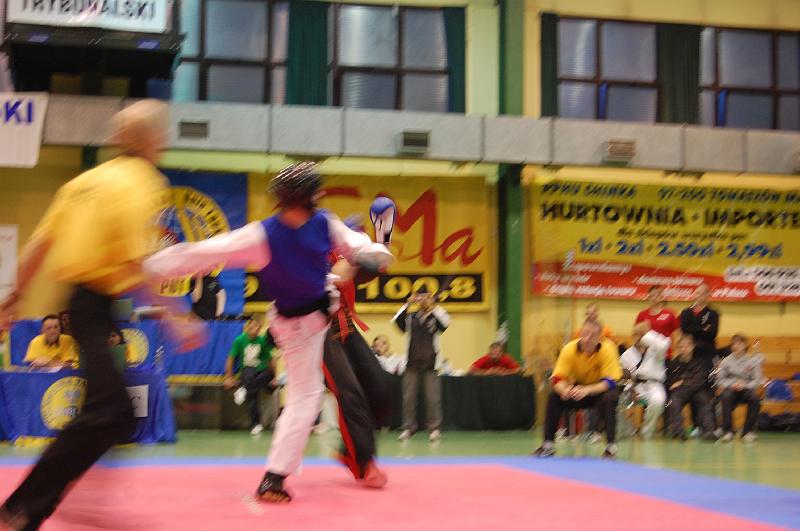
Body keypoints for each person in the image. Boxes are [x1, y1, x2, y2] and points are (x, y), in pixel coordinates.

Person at [0, 100, 204, 531]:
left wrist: (14, 296)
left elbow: (39, 245)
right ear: (153, 141)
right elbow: (135, 264)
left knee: (113, 409)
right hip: (95, 306)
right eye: (162, 135)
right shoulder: (142, 182)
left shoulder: (81, 183)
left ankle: (44, 501)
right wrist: (175, 315)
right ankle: (21, 508)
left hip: (79, 303)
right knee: (110, 409)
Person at [144, 161, 393, 503]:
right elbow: (203, 253)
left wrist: (377, 253)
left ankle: (282, 475)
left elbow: (359, 246)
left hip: (322, 312)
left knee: (325, 393)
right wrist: (148, 267)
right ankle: (274, 478)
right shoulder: (262, 236)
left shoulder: (325, 224)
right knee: (306, 397)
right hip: (293, 328)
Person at [323, 249, 392, 488]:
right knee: (350, 393)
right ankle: (364, 463)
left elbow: (366, 269)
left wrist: (375, 259)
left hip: (347, 327)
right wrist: (330, 275)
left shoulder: (341, 247)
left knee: (380, 386)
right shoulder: (305, 251)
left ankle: (348, 449)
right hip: (318, 332)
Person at [533, 320, 622, 459]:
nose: (587, 338)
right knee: (554, 397)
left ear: (599, 337)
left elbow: (610, 382)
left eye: (592, 335)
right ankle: (548, 445)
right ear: (580, 333)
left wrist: (587, 390)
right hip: (577, 389)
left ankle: (611, 446)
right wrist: (564, 390)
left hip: (599, 390)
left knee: (611, 397)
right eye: (585, 333)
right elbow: (557, 379)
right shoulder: (569, 349)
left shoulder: (608, 349)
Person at [392, 287, 450, 442]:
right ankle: (408, 428)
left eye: (426, 297)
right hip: (412, 363)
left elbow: (446, 323)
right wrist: (407, 304)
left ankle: (434, 429)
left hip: (431, 363)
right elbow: (396, 322)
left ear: (430, 298)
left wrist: (434, 306)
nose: (423, 300)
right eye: (420, 297)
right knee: (408, 398)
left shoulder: (436, 316)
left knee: (432, 399)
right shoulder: (411, 317)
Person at [224, 316, 276, 436]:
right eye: (252, 327)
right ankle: (255, 424)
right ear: (247, 327)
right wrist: (229, 376)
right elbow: (231, 358)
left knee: (267, 374)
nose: (255, 329)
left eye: (258, 328)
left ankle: (244, 390)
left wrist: (275, 377)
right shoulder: (239, 340)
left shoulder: (262, 341)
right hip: (248, 370)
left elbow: (271, 360)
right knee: (252, 389)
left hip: (261, 370)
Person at [679, 283, 720, 433]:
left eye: (704, 293)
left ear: (708, 296)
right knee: (692, 388)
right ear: (694, 295)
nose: (700, 296)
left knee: (709, 391)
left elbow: (712, 333)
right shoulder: (686, 312)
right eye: (698, 293)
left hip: (708, 357)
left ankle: (711, 426)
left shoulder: (713, 313)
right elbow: (684, 329)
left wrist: (695, 330)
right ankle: (696, 425)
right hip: (691, 356)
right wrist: (703, 328)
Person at [619, 322, 669, 439]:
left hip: (654, 385)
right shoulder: (627, 355)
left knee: (658, 401)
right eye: (637, 334)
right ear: (633, 336)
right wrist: (631, 389)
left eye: (643, 334)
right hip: (635, 385)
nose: (640, 336)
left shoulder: (657, 349)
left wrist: (648, 335)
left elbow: (664, 344)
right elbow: (624, 378)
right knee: (619, 399)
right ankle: (625, 429)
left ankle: (648, 430)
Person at [666, 335, 717, 441]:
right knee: (674, 401)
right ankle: (678, 431)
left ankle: (708, 431)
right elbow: (671, 383)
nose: (684, 349)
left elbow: (700, 381)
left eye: (687, 346)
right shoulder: (674, 363)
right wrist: (687, 382)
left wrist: (683, 382)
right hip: (680, 392)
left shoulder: (700, 362)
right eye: (681, 347)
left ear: (692, 346)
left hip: (697, 391)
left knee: (704, 400)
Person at [717, 334, 763, 443]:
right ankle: (728, 431)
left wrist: (745, 385)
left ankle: (747, 432)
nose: (736, 346)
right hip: (731, 389)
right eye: (734, 343)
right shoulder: (726, 361)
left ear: (745, 345)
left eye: (739, 343)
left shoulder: (752, 361)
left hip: (746, 389)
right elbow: (720, 380)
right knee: (725, 397)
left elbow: (757, 380)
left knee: (755, 400)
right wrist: (732, 384)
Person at [635, 285, 679, 358]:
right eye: (651, 296)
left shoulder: (670, 314)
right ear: (648, 297)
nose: (654, 298)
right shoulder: (642, 314)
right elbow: (636, 335)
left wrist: (676, 353)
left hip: (664, 355)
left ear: (662, 297)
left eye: (657, 295)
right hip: (647, 355)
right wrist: (639, 350)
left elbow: (677, 335)